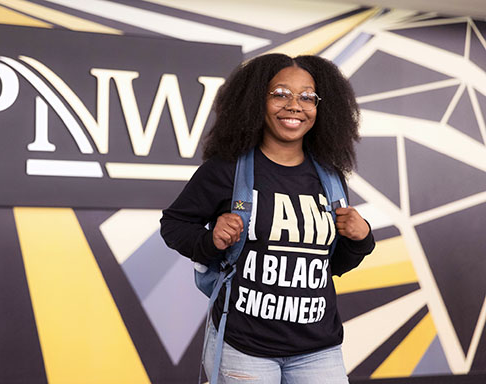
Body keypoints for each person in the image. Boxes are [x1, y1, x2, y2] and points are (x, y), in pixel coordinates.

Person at [160, 53, 375, 384]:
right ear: (256, 101)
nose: (294, 105)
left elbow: (329, 267)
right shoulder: (226, 170)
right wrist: (210, 240)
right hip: (244, 347)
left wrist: (361, 239)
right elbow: (173, 225)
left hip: (318, 349)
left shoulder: (330, 177)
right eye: (280, 94)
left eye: (307, 97)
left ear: (321, 108)